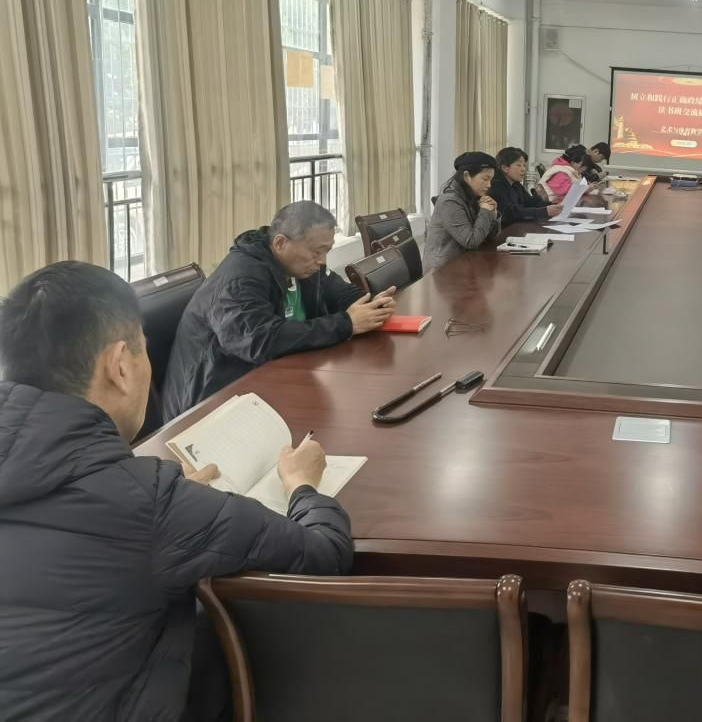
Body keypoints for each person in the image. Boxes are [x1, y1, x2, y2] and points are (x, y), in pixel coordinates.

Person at [0, 262, 353, 720]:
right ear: (120, 365)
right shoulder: (150, 504)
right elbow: (324, 554)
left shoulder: (145, 499)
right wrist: (302, 484)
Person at [162, 200, 396, 422]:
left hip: (267, 383)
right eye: (316, 252)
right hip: (210, 404)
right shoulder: (240, 280)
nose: (322, 260)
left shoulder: (302, 266)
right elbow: (261, 341)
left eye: (327, 250)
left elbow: (339, 292)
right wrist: (347, 323)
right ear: (280, 243)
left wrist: (372, 304)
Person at [426, 151, 502, 270]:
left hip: (464, 264)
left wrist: (493, 213)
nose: (489, 185)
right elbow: (471, 242)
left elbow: (488, 238)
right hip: (442, 271)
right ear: (467, 176)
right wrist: (485, 211)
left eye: (491, 180)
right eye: (485, 179)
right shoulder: (449, 201)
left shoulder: (472, 196)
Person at [490, 147, 561, 226]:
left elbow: (532, 202)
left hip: (517, 227)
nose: (523, 169)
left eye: (524, 165)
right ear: (505, 168)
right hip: (504, 230)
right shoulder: (495, 186)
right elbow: (509, 213)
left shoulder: (516, 184)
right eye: (519, 165)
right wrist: (545, 211)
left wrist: (554, 205)